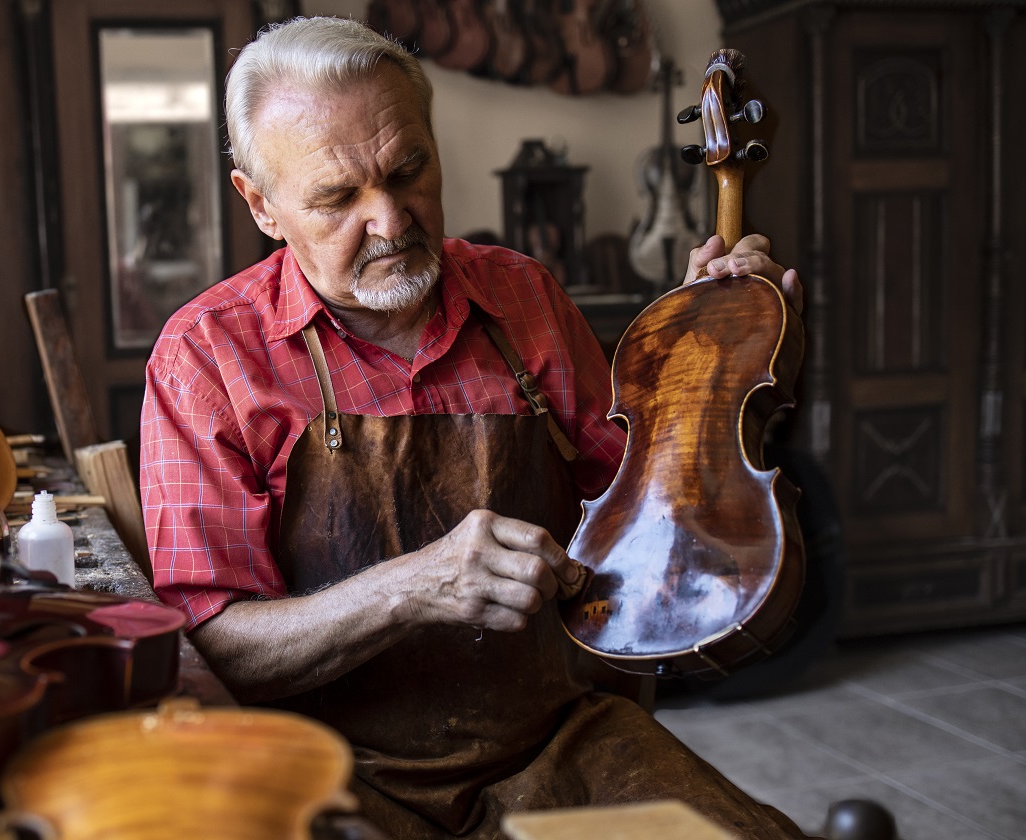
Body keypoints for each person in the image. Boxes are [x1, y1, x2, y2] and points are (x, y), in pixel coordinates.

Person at [140, 16, 807, 840]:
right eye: (338, 197)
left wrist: (712, 358)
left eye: (409, 169)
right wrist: (410, 588)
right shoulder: (207, 356)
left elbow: (652, 519)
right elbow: (214, 640)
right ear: (262, 205)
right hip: (327, 771)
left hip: (555, 744)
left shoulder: (522, 297)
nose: (390, 219)